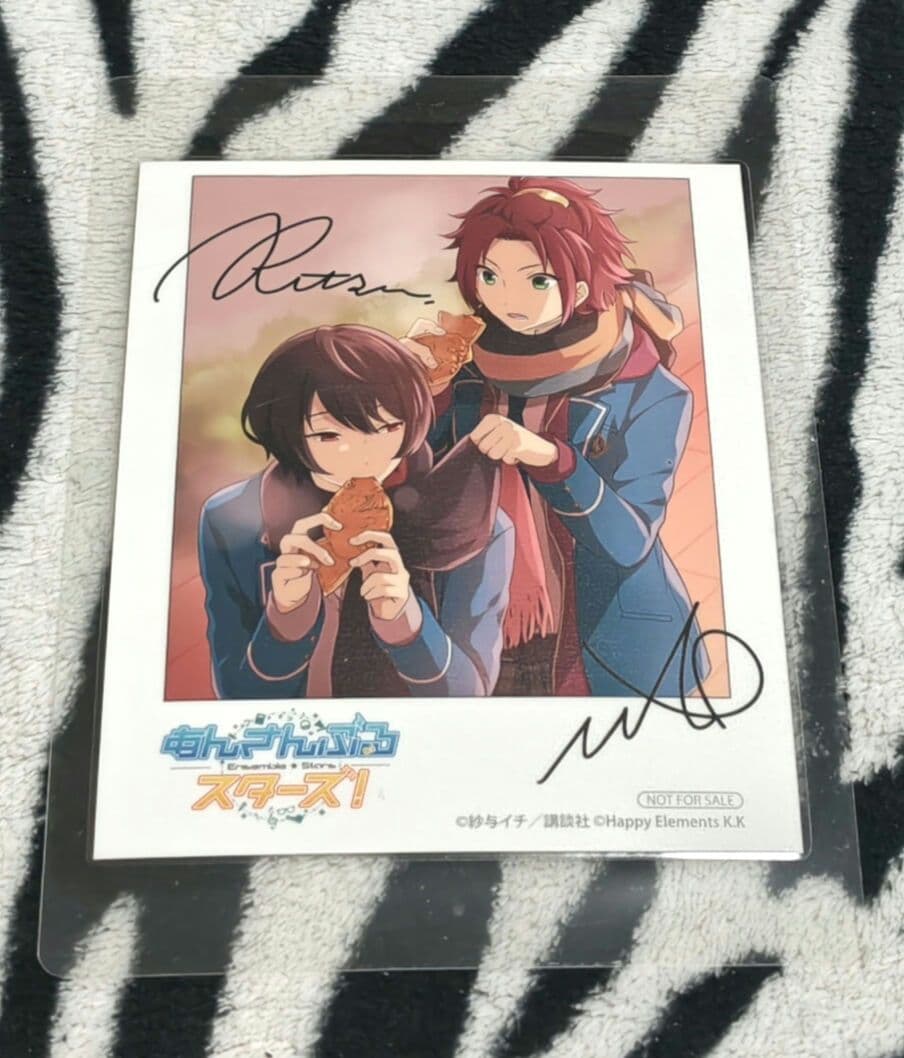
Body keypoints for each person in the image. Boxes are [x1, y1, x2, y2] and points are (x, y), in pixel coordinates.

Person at [402, 177, 709, 697]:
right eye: (489, 277)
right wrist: (412, 396)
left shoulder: (649, 391)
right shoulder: (468, 371)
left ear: (582, 288)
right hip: (479, 620)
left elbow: (629, 541)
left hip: (600, 640)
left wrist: (551, 459)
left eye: (537, 281)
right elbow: (415, 491)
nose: (507, 300)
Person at [198, 324, 513, 699]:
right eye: (329, 435)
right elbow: (236, 696)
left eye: (388, 427)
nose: (366, 453)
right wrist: (286, 621)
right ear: (287, 429)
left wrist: (407, 624)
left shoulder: (468, 519)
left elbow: (470, 693)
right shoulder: (232, 519)